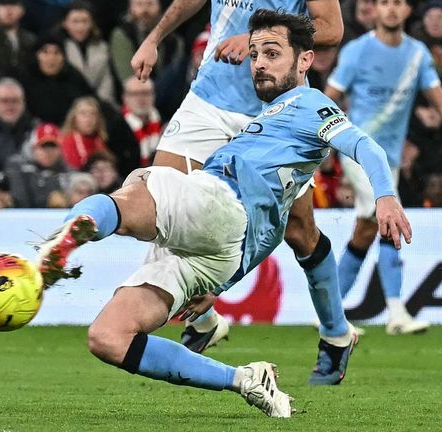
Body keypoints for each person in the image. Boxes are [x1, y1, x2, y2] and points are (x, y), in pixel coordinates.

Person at [35, 10, 410, 417]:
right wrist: (224, 280)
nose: (260, 64)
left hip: (217, 203)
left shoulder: (308, 104)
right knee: (108, 337)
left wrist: (384, 196)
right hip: (225, 248)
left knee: (135, 193)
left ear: (305, 60)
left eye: (272, 53)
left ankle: (63, 241)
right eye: (254, 56)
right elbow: (268, 233)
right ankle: (245, 379)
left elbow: (366, 147)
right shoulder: (269, 119)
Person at [130, 0, 354, 386]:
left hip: (277, 106)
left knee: (299, 232)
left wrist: (258, 40)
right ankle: (204, 321)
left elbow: (331, 28)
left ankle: (336, 333)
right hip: (209, 100)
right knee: (153, 203)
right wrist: (154, 37)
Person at [324, 0, 442, 335]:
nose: (391, 10)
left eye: (397, 3)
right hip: (357, 151)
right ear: (376, 9)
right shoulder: (356, 51)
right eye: (384, 3)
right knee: (388, 215)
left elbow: (440, 101)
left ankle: (328, 310)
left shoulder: (417, 54)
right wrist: (325, 143)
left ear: (407, 10)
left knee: (367, 229)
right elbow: (330, 97)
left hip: (391, 158)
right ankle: (397, 313)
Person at [121, 76, 161, 167]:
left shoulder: (164, 122)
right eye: (135, 94)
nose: (140, 98)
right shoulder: (116, 127)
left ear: (153, 96)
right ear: (125, 98)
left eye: (145, 93)